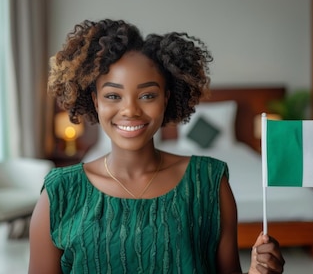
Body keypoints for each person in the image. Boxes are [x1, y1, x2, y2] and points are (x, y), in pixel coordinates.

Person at [28, 19, 285, 274]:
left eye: (147, 95)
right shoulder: (59, 193)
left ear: (166, 99)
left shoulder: (209, 183)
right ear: (95, 101)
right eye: (113, 96)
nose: (130, 110)